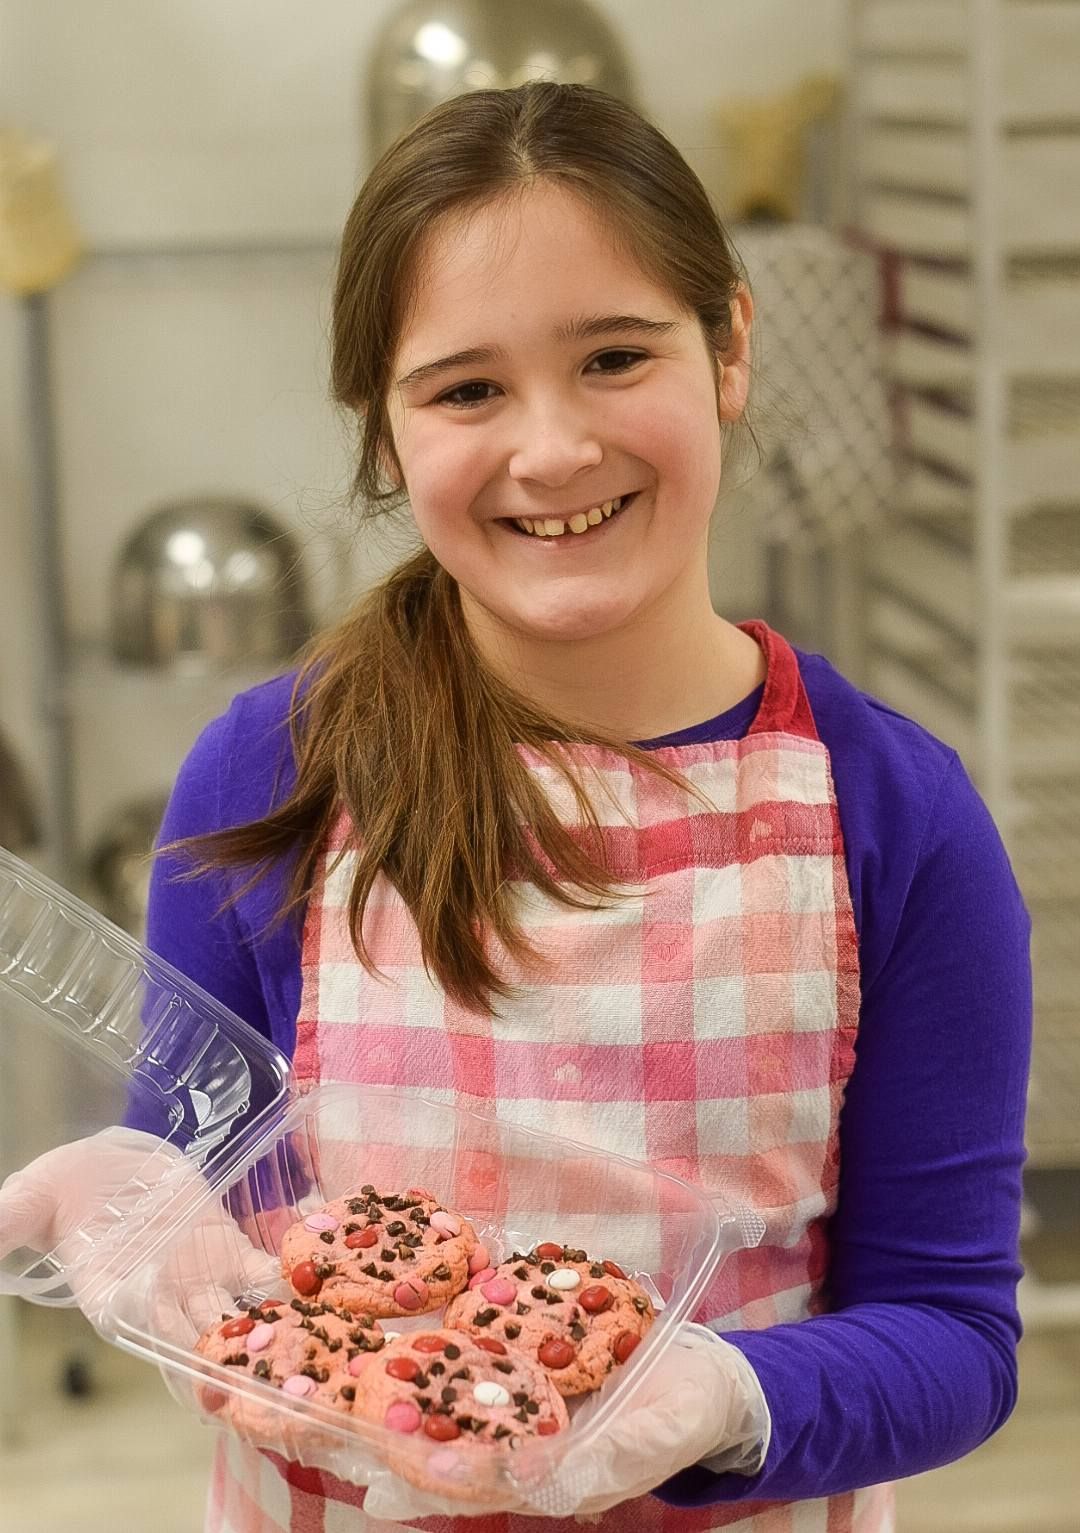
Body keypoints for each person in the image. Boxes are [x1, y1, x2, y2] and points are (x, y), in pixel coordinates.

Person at [0, 82, 1030, 1533]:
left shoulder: (894, 815)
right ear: (386, 427)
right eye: (467, 388)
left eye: (615, 356)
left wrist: (722, 1396)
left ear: (730, 345)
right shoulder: (273, 777)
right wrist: (145, 1185)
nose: (551, 450)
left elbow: (950, 1334)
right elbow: (207, 1188)